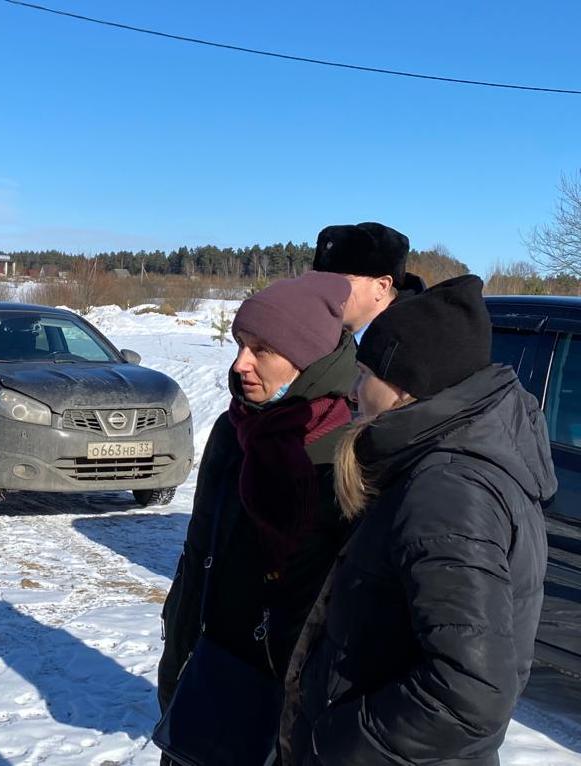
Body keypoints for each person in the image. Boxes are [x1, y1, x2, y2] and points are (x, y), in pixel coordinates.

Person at [280, 275, 555, 766]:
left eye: (366, 374)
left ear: (407, 385)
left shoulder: (447, 491)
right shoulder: (440, 463)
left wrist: (335, 744)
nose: (356, 389)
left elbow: (470, 693)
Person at [157, 271, 358, 765]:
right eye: (240, 344)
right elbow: (201, 548)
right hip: (207, 671)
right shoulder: (236, 428)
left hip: (285, 702)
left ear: (308, 359)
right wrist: (179, 643)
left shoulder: (349, 452)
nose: (240, 363)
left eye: (262, 349)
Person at [312, 221, 426, 342]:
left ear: (382, 286)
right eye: (324, 281)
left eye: (341, 281)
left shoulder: (415, 344)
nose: (328, 291)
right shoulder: (320, 340)